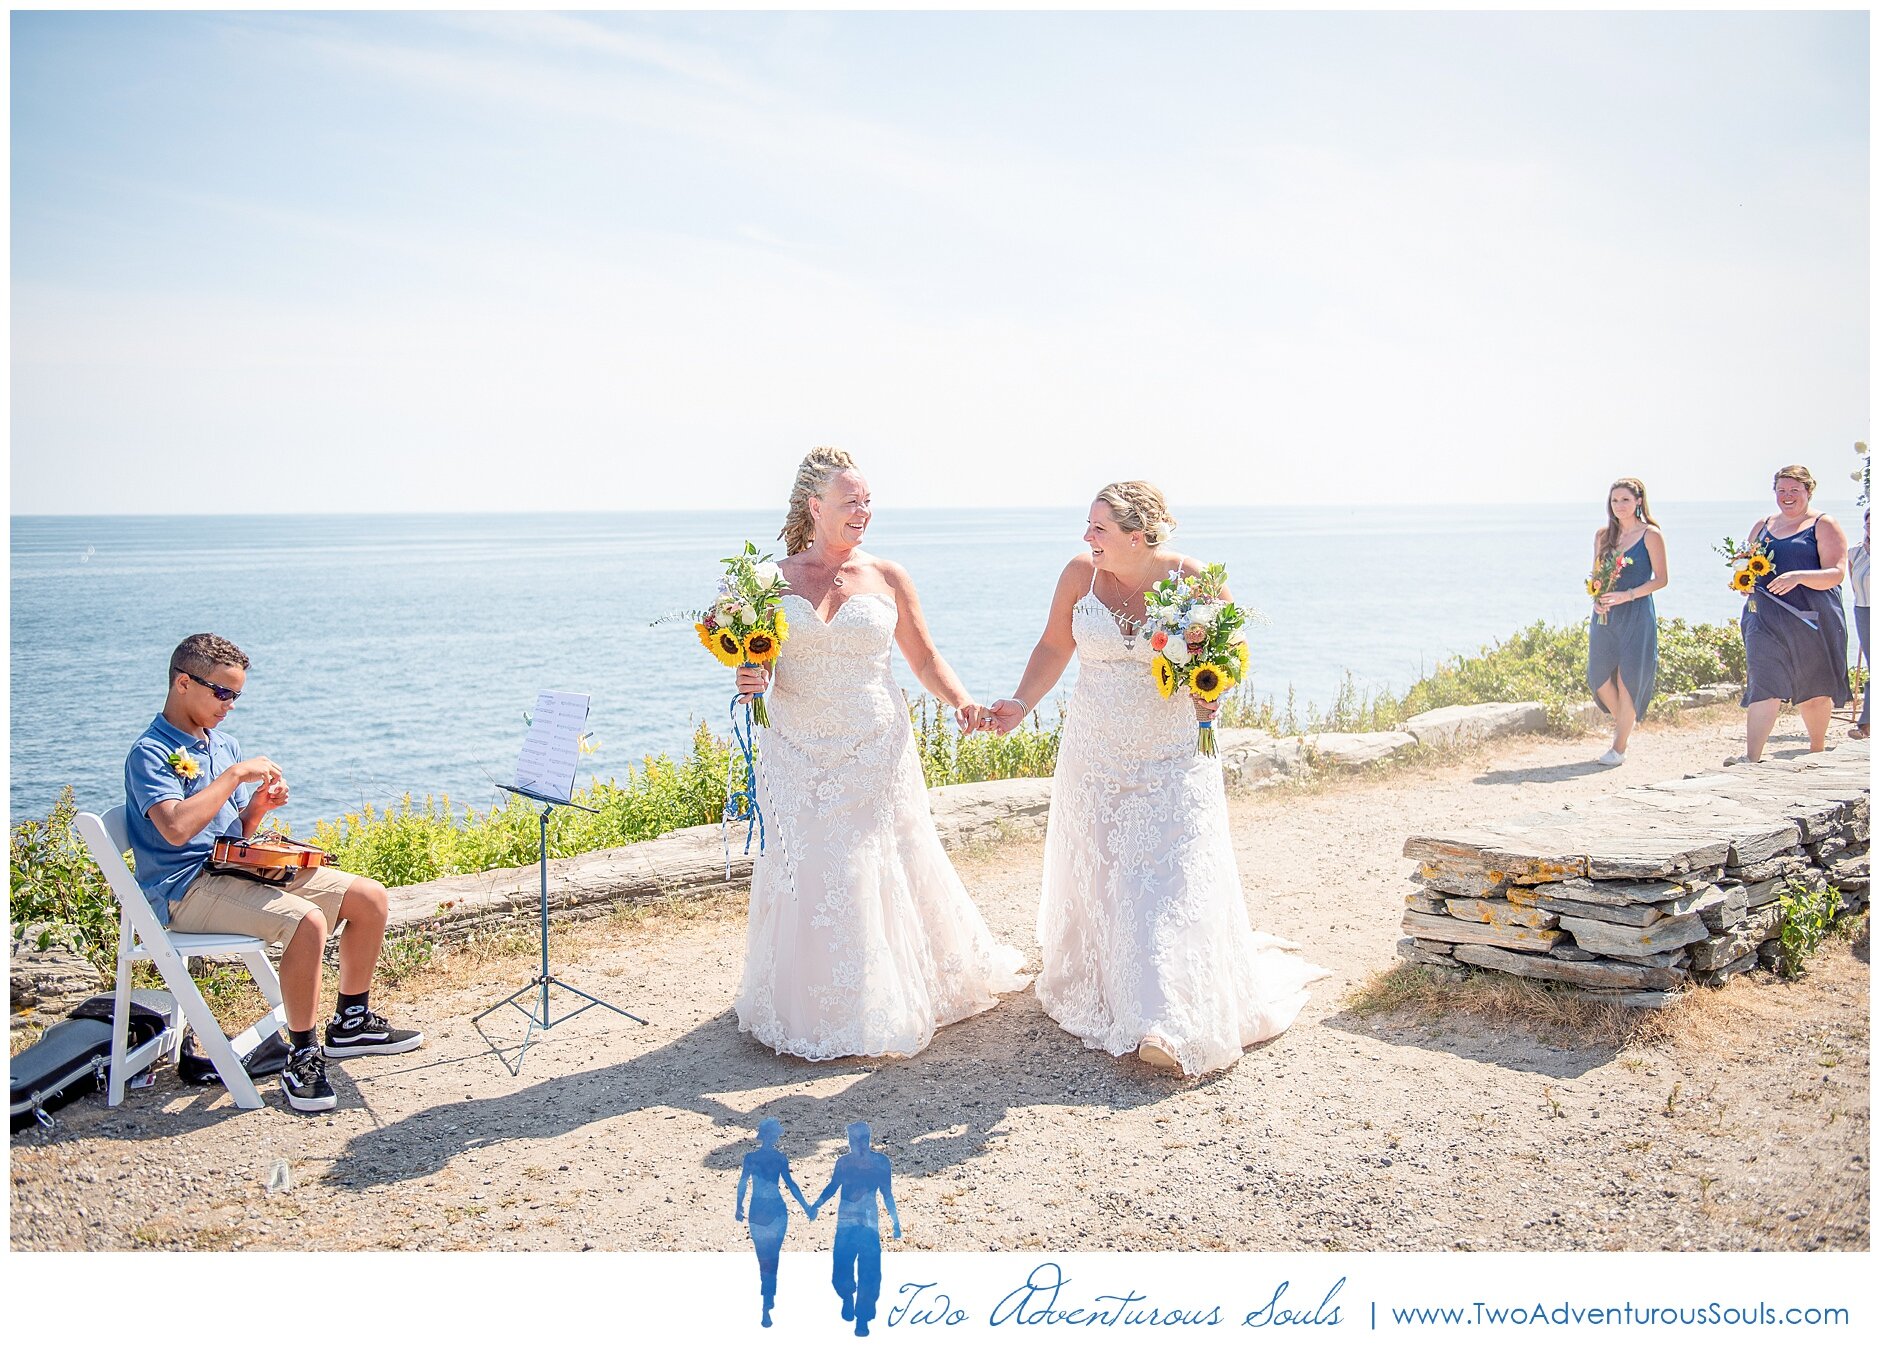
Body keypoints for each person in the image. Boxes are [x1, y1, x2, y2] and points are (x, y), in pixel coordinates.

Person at [985, 482, 1328, 1076]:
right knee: (1106, 869)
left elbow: (1231, 650)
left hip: (1172, 755)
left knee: (1170, 880)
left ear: (1136, 537)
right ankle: (1112, 986)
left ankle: (1166, 1019)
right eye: (1088, 527)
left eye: (1099, 529)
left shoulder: (1190, 577)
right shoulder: (1078, 576)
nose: (1086, 538)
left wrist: (1211, 685)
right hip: (1094, 753)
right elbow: (1052, 646)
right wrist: (1019, 702)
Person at [732, 448, 1027, 1060]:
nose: (863, 512)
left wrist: (963, 702)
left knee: (870, 863)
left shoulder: (888, 577)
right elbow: (756, 658)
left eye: (868, 502)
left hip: (874, 744)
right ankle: (812, 1007)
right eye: (850, 502)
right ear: (816, 508)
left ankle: (884, 997)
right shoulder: (767, 581)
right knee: (810, 865)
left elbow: (922, 658)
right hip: (794, 746)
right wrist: (749, 674)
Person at [123, 634, 423, 1113]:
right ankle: (302, 1054)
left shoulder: (221, 744)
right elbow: (176, 829)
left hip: (235, 869)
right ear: (183, 682)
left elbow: (234, 831)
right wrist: (234, 777)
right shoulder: (151, 753)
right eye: (222, 693)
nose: (230, 706)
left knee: (369, 898)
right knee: (307, 922)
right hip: (186, 889)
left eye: (236, 696)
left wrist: (258, 807)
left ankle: (350, 1021)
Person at [1731, 465, 1852, 763]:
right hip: (1764, 619)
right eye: (1781, 491)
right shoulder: (1762, 525)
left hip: (1810, 619)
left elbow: (1836, 573)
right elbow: (1746, 565)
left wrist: (1798, 576)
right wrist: (1742, 582)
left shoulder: (1824, 524)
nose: (1787, 497)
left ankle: (1816, 751)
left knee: (1815, 689)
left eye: (1794, 491)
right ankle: (1752, 758)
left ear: (1808, 492)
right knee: (1764, 683)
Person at [1585, 477, 1668, 767]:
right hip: (1605, 615)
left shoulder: (1651, 535)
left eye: (1625, 500)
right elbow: (1596, 576)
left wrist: (1628, 595)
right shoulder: (1602, 536)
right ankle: (1626, 722)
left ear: (1638, 502)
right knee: (1598, 676)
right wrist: (1597, 596)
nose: (1619, 505)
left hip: (1636, 613)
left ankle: (1618, 748)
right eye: (1614, 500)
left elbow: (1661, 579)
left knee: (1629, 677)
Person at [809, 1121, 901, 1337]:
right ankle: (856, 1307)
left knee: (851, 1267)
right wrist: (895, 1222)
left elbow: (834, 1188)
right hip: (862, 1223)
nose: (853, 1143)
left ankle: (858, 1313)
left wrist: (816, 1205)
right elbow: (885, 1194)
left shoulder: (854, 1163)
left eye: (854, 1139)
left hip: (853, 1223)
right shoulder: (876, 1162)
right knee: (861, 1269)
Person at [735, 1118, 814, 1328]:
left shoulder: (750, 1158)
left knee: (763, 1255)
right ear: (774, 1136)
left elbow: (743, 1183)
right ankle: (769, 1296)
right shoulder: (780, 1158)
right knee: (773, 1255)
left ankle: (766, 1294)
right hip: (777, 1209)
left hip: (758, 1208)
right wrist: (806, 1206)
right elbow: (791, 1185)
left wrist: (738, 1206)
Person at [1849, 509, 1870, 741]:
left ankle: (1866, 724)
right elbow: (1855, 585)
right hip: (1864, 611)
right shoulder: (1854, 552)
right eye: (1869, 524)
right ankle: (1867, 725)